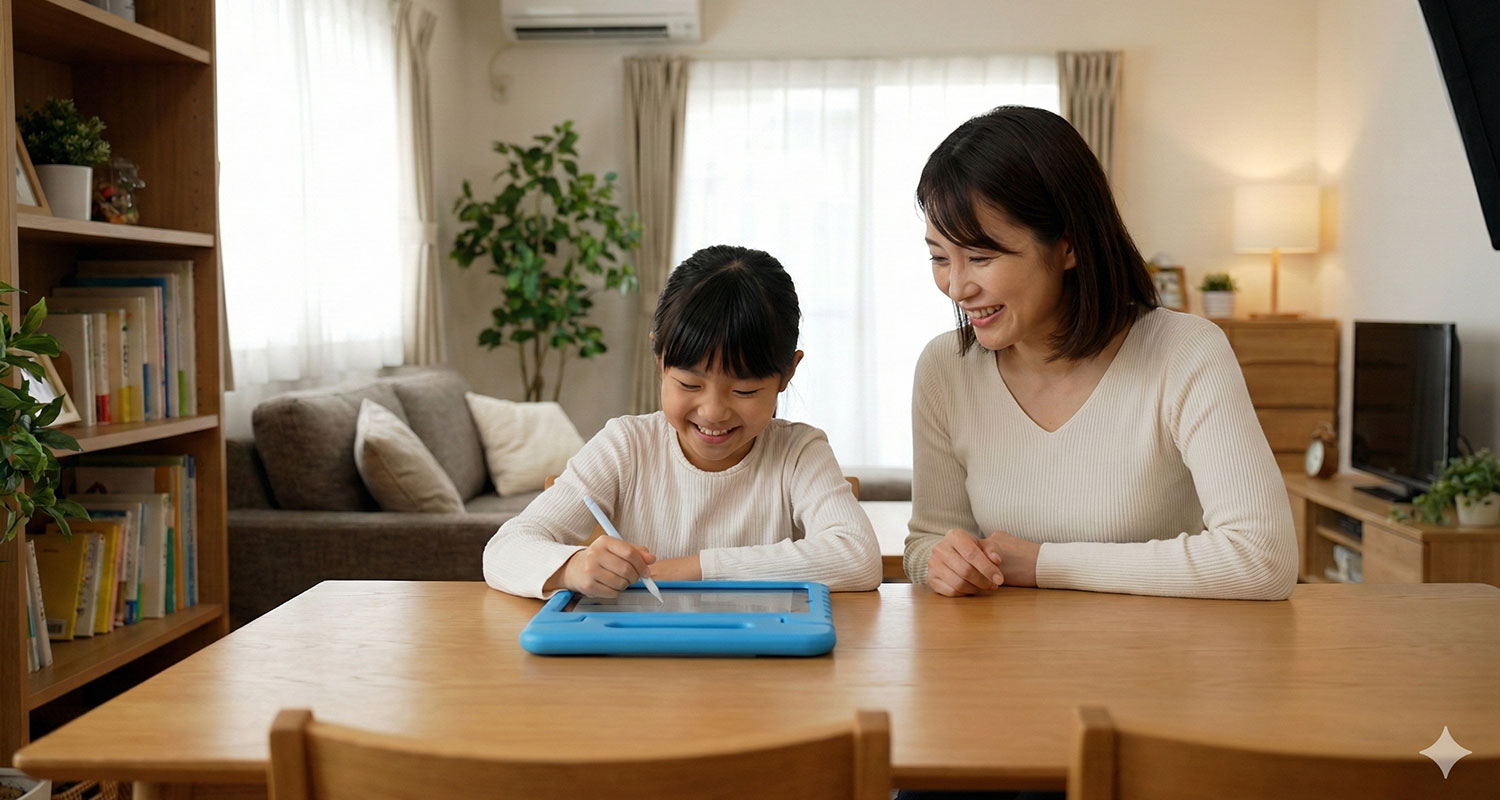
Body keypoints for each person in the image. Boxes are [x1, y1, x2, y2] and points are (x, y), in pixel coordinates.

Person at [905, 106, 1298, 600]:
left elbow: (1262, 558)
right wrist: (942, 563)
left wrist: (1044, 563)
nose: (957, 286)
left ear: (1068, 246)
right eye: (940, 257)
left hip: (1165, 647)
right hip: (1007, 648)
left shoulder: (1185, 353)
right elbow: (927, 542)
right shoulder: (946, 368)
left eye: (981, 257)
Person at [484, 244, 882, 598]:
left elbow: (858, 556)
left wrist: (694, 569)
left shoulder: (799, 453)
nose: (713, 411)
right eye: (690, 384)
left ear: (788, 373)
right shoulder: (626, 445)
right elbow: (506, 548)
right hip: (643, 654)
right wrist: (572, 568)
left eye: (744, 391)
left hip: (759, 654)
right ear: (660, 359)